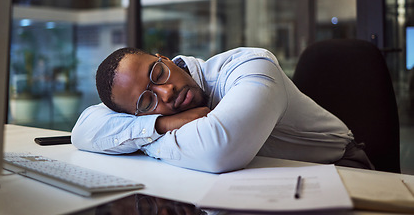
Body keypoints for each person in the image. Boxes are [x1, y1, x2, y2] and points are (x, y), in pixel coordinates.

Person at [72, 47, 374, 173]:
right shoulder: (153, 112)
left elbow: (218, 150)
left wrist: (144, 139)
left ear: (163, 58)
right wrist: (163, 125)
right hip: (256, 177)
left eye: (158, 74)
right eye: (147, 101)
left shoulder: (251, 65)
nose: (166, 92)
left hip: (338, 168)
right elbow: (83, 130)